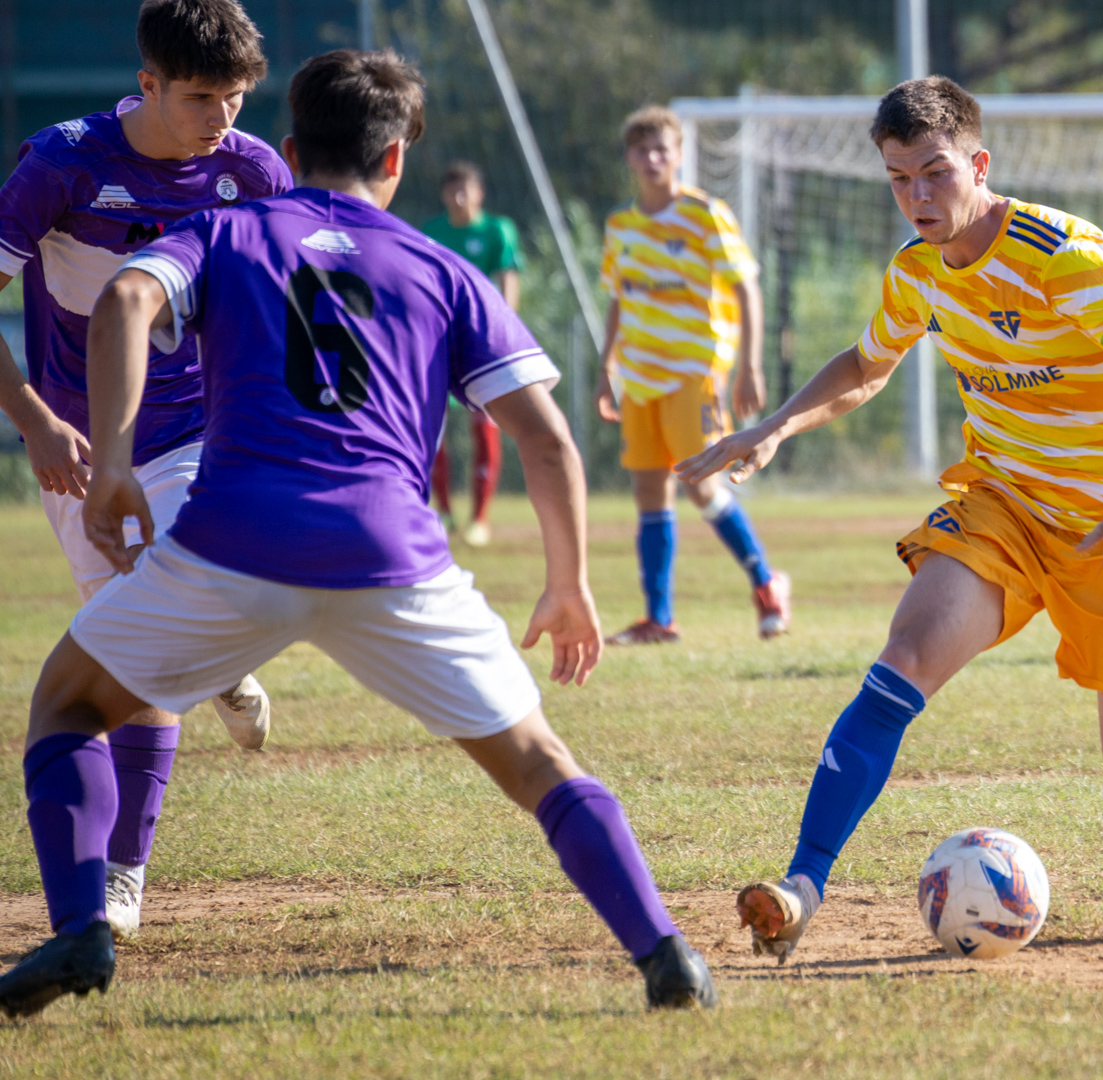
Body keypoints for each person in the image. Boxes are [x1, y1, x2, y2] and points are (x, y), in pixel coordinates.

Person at [0, 47, 715, 1019]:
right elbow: (548, 442)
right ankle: (668, 956)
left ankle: (84, 925)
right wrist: (569, 583)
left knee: (66, 703)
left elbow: (126, 299)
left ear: (290, 152)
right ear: (396, 161)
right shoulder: (443, 269)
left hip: (233, 542)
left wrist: (115, 461)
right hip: (392, 556)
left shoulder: (225, 230)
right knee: (541, 762)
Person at [679, 77, 1103, 963]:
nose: (917, 196)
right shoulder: (918, 274)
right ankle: (801, 888)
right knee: (903, 661)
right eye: (898, 178)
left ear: (979, 163)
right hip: (1003, 508)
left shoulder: (1064, 260)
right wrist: (775, 426)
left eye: (935, 172)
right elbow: (866, 365)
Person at [0, 0, 291, 940]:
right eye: (201, 97)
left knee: (160, 604)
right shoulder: (62, 164)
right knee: (134, 651)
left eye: (236, 98)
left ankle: (124, 873)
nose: (222, 119)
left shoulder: (254, 171)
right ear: (148, 86)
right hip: (81, 447)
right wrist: (37, 423)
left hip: (201, 429)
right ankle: (216, 666)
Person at [596, 105, 789, 645]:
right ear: (630, 158)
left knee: (703, 489)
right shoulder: (621, 226)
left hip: (694, 374)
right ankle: (659, 618)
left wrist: (749, 364)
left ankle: (767, 583)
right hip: (639, 379)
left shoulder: (706, 215)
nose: (652, 159)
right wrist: (606, 367)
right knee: (649, 494)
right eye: (642, 150)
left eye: (662, 149)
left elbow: (746, 287)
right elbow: (618, 298)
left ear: (679, 155)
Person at [423, 160, 522, 547]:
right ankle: (444, 511)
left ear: (480, 193)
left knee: (484, 425)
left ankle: (480, 518)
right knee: (433, 427)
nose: (460, 197)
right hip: (440, 342)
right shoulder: (432, 232)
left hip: (482, 341)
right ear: (444, 195)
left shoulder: (497, 230)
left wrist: (504, 331)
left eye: (466, 189)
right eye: (453, 189)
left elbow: (508, 278)